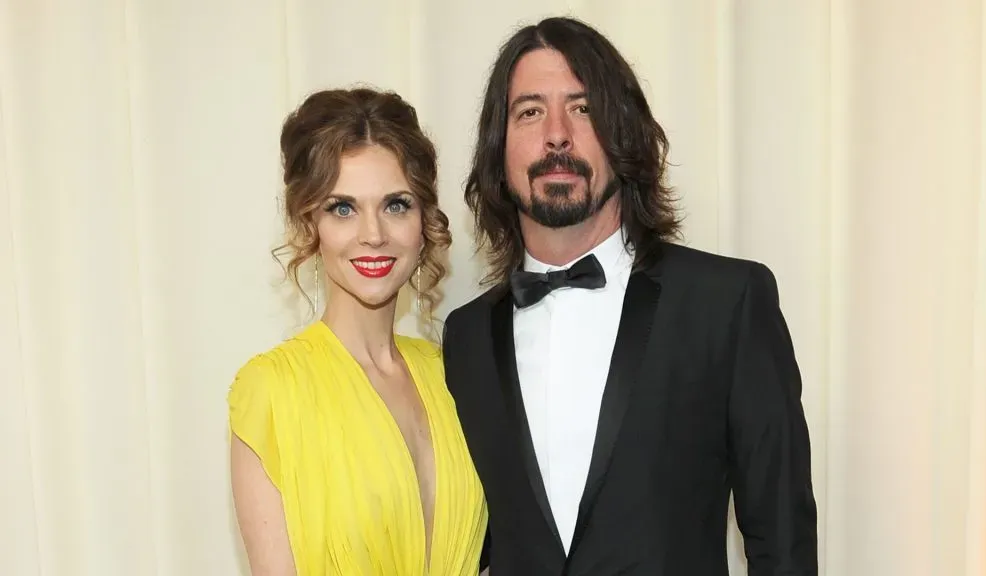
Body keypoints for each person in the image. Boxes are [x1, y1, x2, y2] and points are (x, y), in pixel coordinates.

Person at [441, 16, 817, 575]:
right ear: (499, 149)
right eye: (530, 111)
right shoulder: (466, 335)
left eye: (583, 107)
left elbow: (782, 542)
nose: (557, 134)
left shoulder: (728, 303)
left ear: (624, 136)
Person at [228, 87, 488, 576]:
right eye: (342, 208)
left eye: (396, 204)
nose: (373, 233)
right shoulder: (271, 391)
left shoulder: (452, 373)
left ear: (424, 221)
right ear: (309, 224)